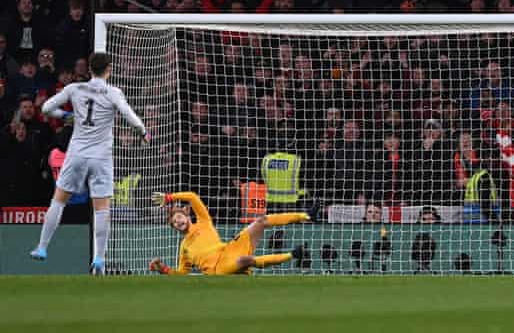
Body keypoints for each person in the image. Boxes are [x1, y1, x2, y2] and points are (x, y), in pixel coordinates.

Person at [30, 52, 150, 274]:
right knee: (101, 207)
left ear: (89, 70)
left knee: (59, 200)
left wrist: (66, 116)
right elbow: (128, 114)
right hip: (101, 157)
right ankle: (99, 258)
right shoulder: (113, 92)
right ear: (108, 69)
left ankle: (42, 247)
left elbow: (46, 108)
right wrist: (142, 131)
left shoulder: (75, 89)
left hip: (76, 154)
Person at [148, 191, 310, 275]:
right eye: (175, 223)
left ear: (186, 214)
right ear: (174, 228)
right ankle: (293, 255)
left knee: (260, 221)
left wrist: (169, 197)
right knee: (245, 260)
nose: (178, 222)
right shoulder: (185, 247)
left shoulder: (204, 222)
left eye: (179, 218)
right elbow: (183, 273)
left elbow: (192, 197)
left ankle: (303, 215)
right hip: (218, 269)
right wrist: (165, 270)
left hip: (228, 250)